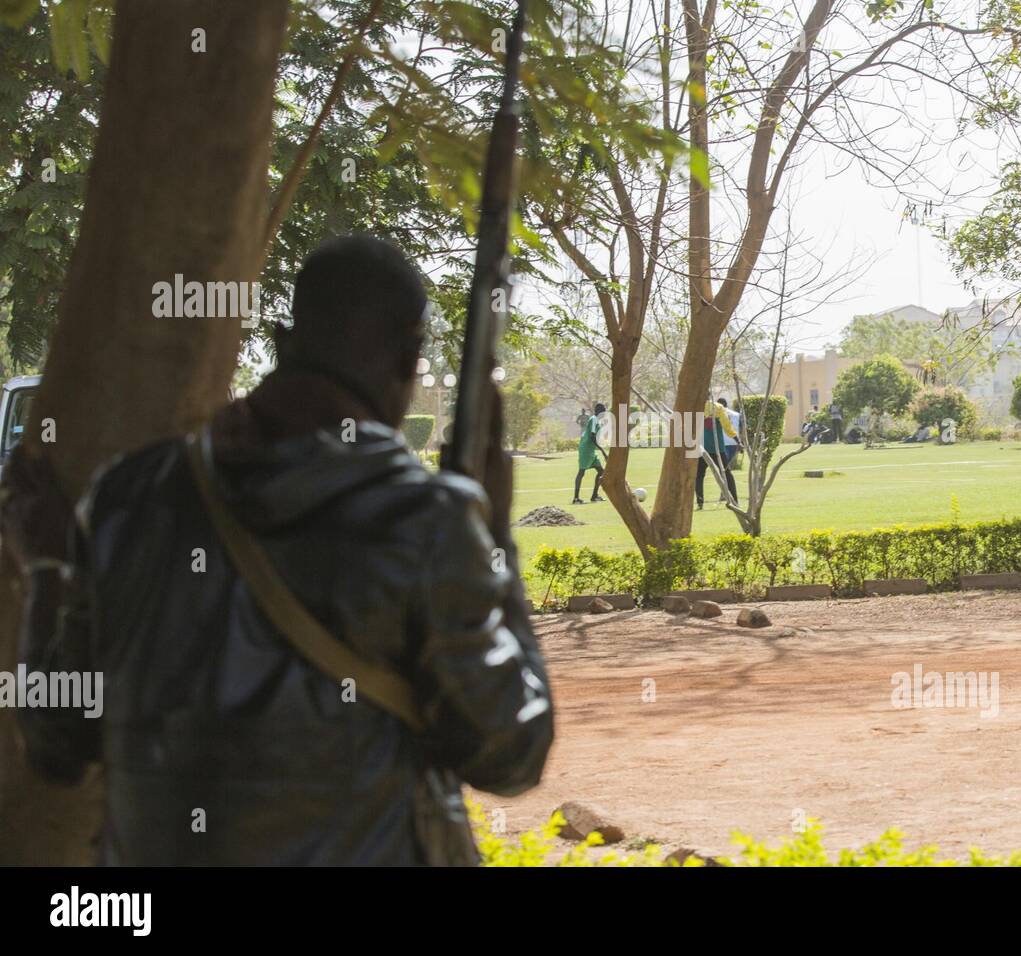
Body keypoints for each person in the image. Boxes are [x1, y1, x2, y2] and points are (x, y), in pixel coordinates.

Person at [0, 235, 554, 865]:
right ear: (408, 361)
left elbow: (55, 742)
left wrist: (47, 568)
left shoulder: (125, 498)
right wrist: (496, 540)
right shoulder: (426, 521)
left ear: (285, 341)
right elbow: (512, 754)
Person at [695, 395, 737, 509]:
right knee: (727, 474)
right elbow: (727, 427)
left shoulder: (694, 407)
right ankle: (735, 501)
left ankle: (700, 503)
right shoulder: (718, 407)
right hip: (717, 448)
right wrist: (737, 439)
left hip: (701, 449)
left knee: (699, 476)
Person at [573, 401, 606, 504]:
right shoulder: (593, 419)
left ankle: (594, 496)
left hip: (591, 450)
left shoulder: (597, 421)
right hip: (586, 449)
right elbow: (592, 436)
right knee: (581, 472)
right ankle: (576, 498)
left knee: (601, 471)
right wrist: (603, 452)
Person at [717, 396, 743, 501]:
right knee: (726, 468)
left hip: (722, 443)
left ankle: (725, 494)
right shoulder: (737, 415)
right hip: (734, 443)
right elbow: (741, 429)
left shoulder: (717, 414)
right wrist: (741, 443)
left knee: (723, 469)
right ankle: (725, 493)